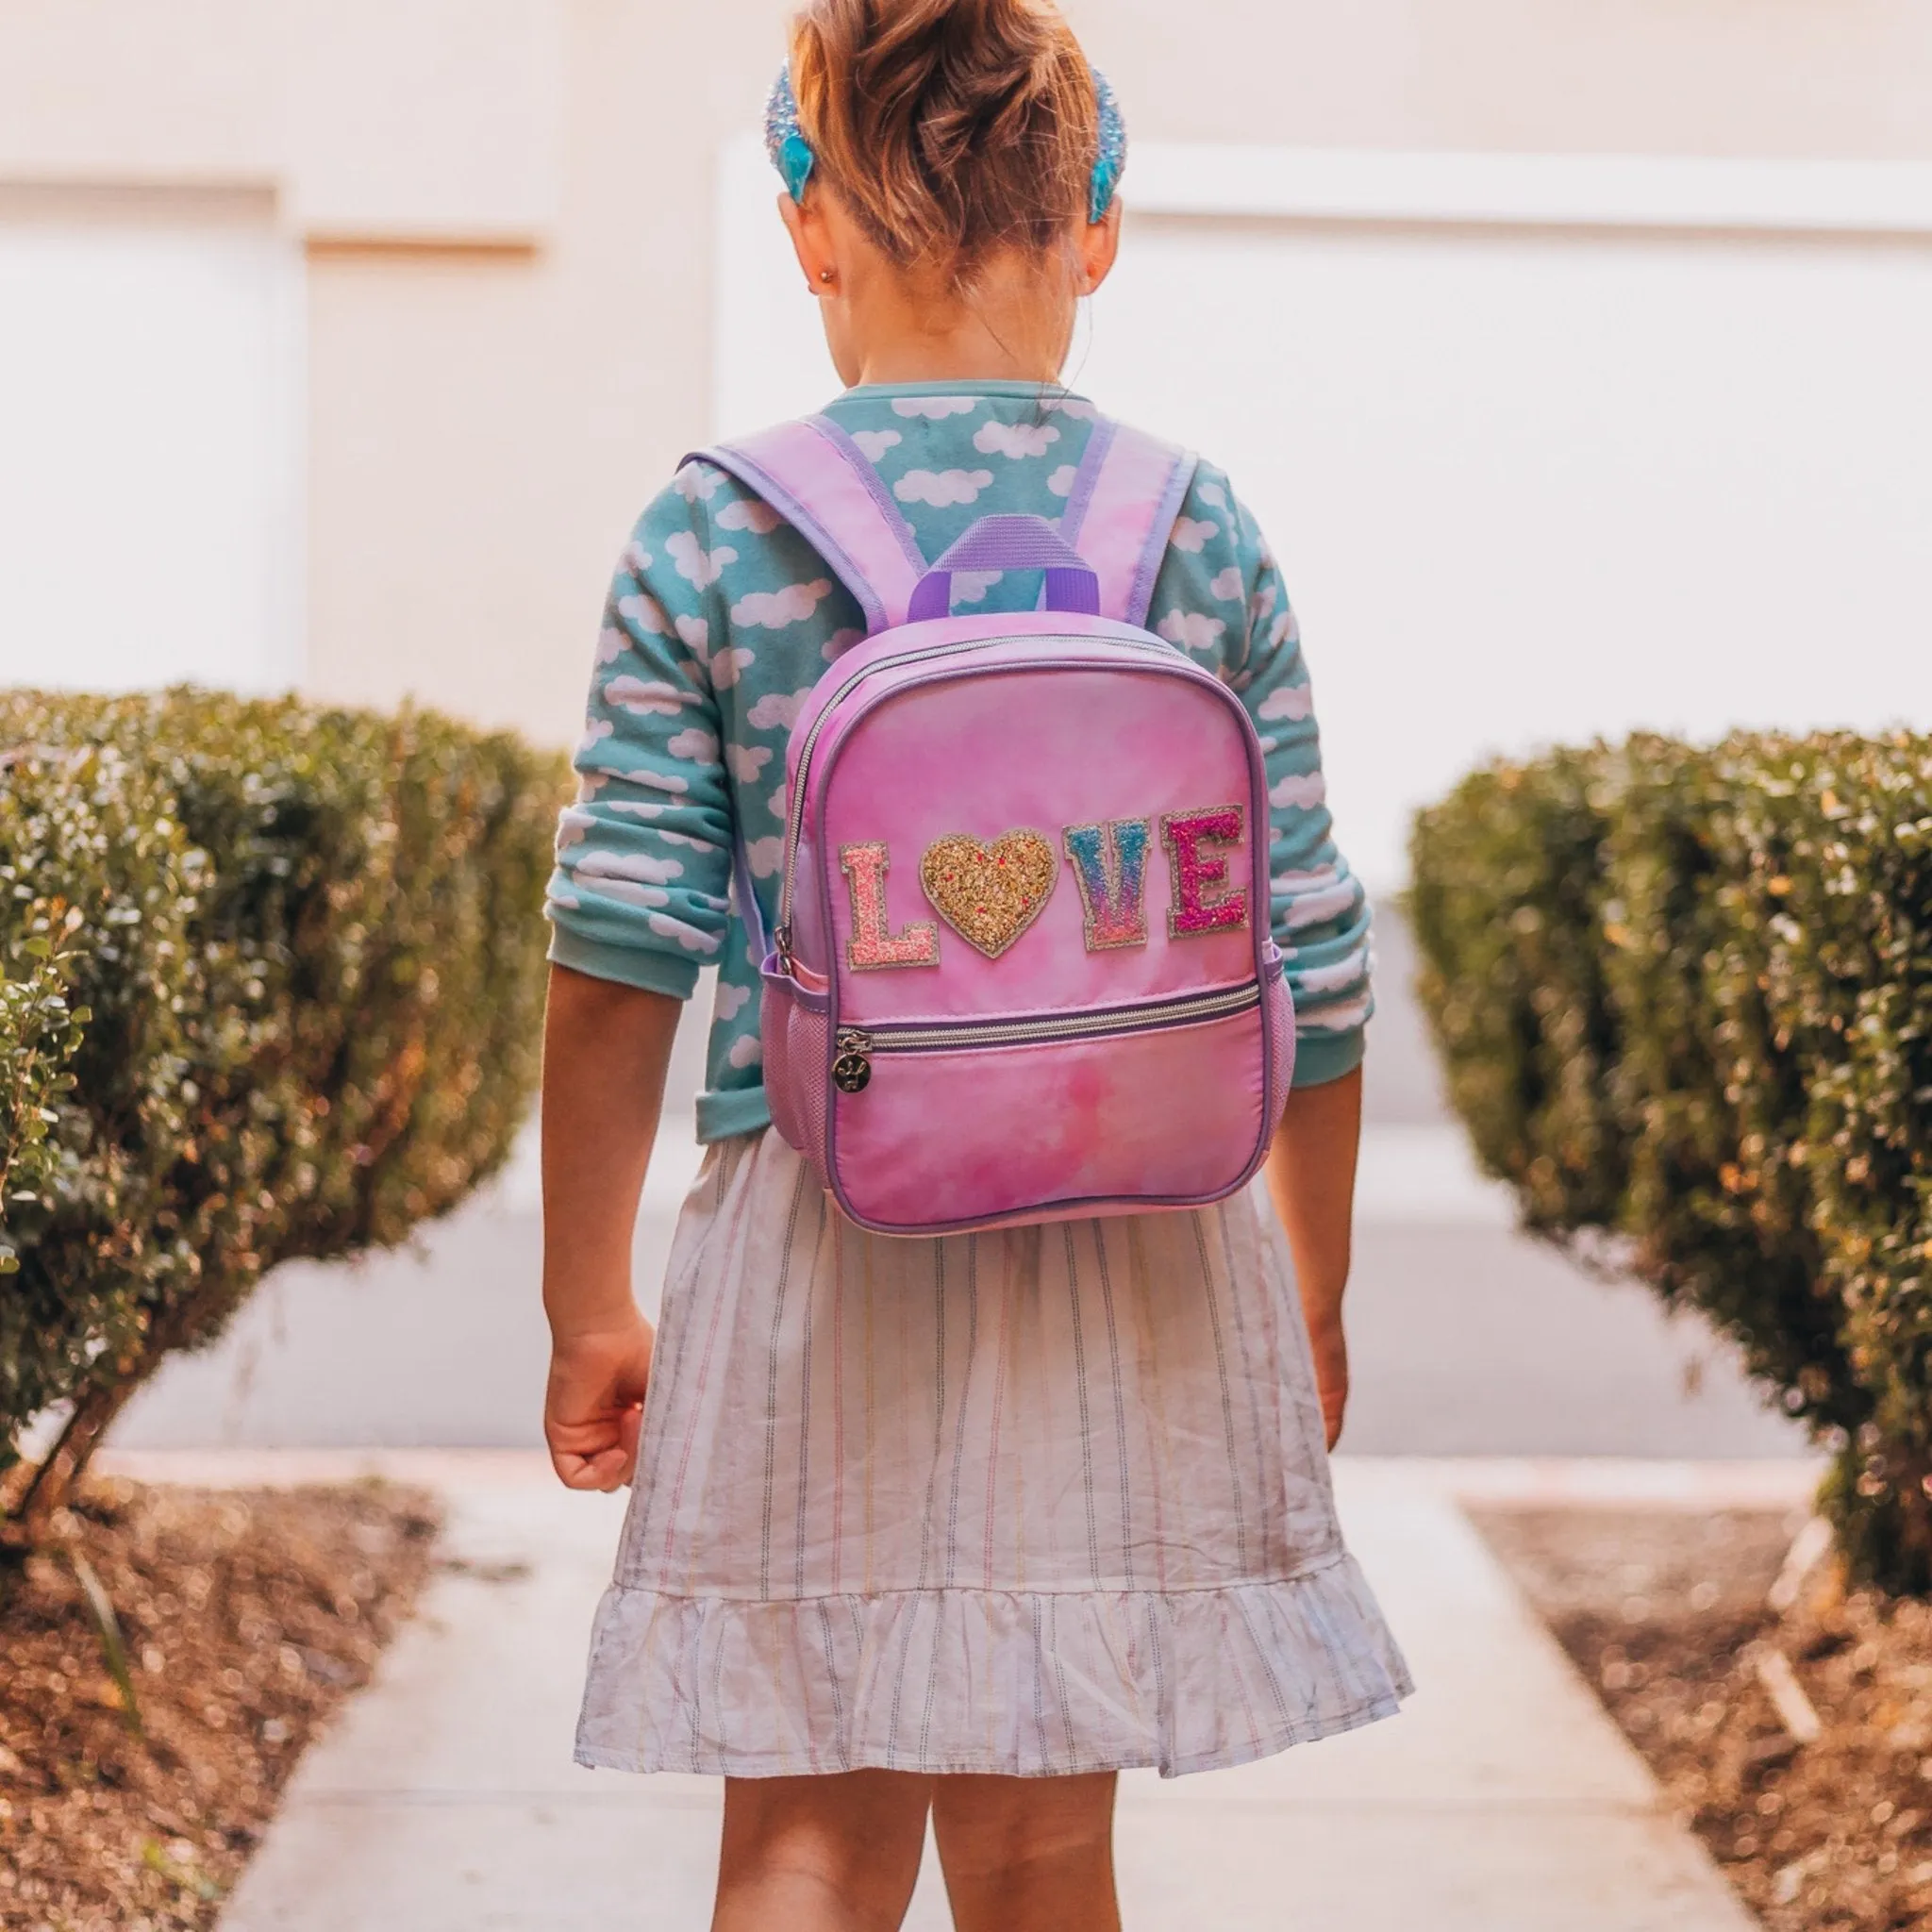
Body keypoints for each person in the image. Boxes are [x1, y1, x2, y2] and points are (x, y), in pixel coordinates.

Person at [540, 2, 1409, 1925]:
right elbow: (1315, 958)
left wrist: (582, 1289)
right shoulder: (1196, 536)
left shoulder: (711, 527)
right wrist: (1316, 1286)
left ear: (810, 228)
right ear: (1097, 226)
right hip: (1133, 1234)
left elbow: (620, 935)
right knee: (1035, 1845)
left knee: (802, 1828)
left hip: (822, 1212)